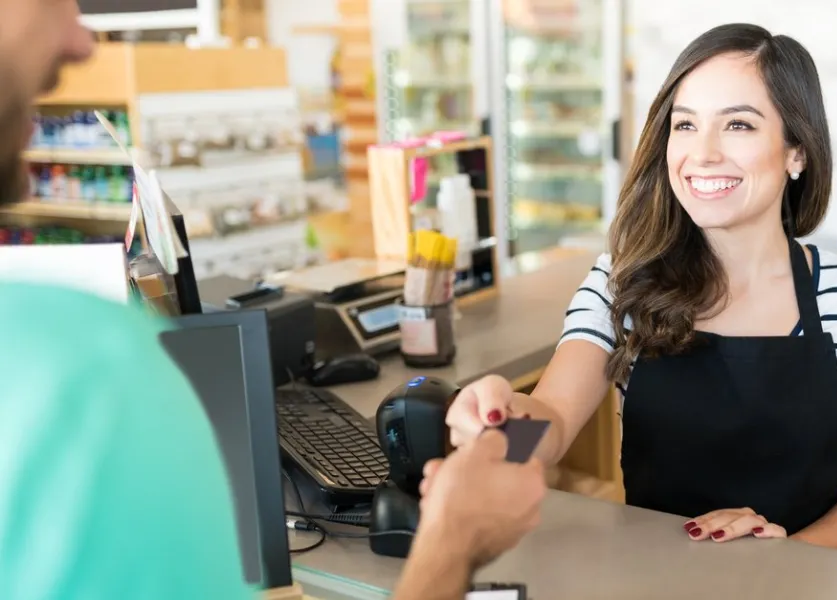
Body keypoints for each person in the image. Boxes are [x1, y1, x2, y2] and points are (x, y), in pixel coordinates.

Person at [0, 2, 543, 599]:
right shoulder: (621, 279)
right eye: (670, 125)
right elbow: (555, 419)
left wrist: (498, 454)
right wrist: (482, 479)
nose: (83, 42)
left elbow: (549, 424)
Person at [447, 23, 837, 551]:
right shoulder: (621, 282)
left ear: (797, 152)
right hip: (654, 579)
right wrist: (503, 429)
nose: (703, 153)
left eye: (739, 125)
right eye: (686, 125)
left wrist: (788, 554)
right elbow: (553, 424)